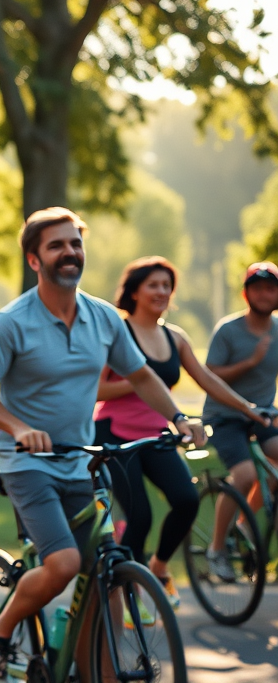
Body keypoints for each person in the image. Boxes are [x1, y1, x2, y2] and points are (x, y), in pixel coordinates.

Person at [0, 208, 205, 683]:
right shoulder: (11, 322)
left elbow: (140, 375)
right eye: (56, 245)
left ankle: (96, 672)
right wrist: (18, 428)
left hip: (80, 461)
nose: (69, 252)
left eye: (75, 243)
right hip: (27, 463)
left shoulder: (102, 317)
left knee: (107, 574)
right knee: (65, 563)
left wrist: (178, 417)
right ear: (35, 260)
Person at [93, 257, 266, 608]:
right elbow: (96, 390)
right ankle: (130, 591)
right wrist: (139, 381)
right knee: (139, 517)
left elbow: (206, 378)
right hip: (114, 435)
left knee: (186, 502)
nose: (161, 292)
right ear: (135, 292)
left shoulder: (175, 337)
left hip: (157, 433)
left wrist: (247, 408)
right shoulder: (117, 333)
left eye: (167, 286)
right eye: (153, 285)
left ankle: (157, 568)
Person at [201, 261, 278, 580]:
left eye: (271, 288)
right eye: (257, 288)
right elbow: (210, 374)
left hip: (262, 416)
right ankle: (217, 549)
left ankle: (244, 523)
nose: (264, 294)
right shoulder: (228, 330)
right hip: (225, 416)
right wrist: (251, 361)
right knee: (244, 476)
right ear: (247, 293)